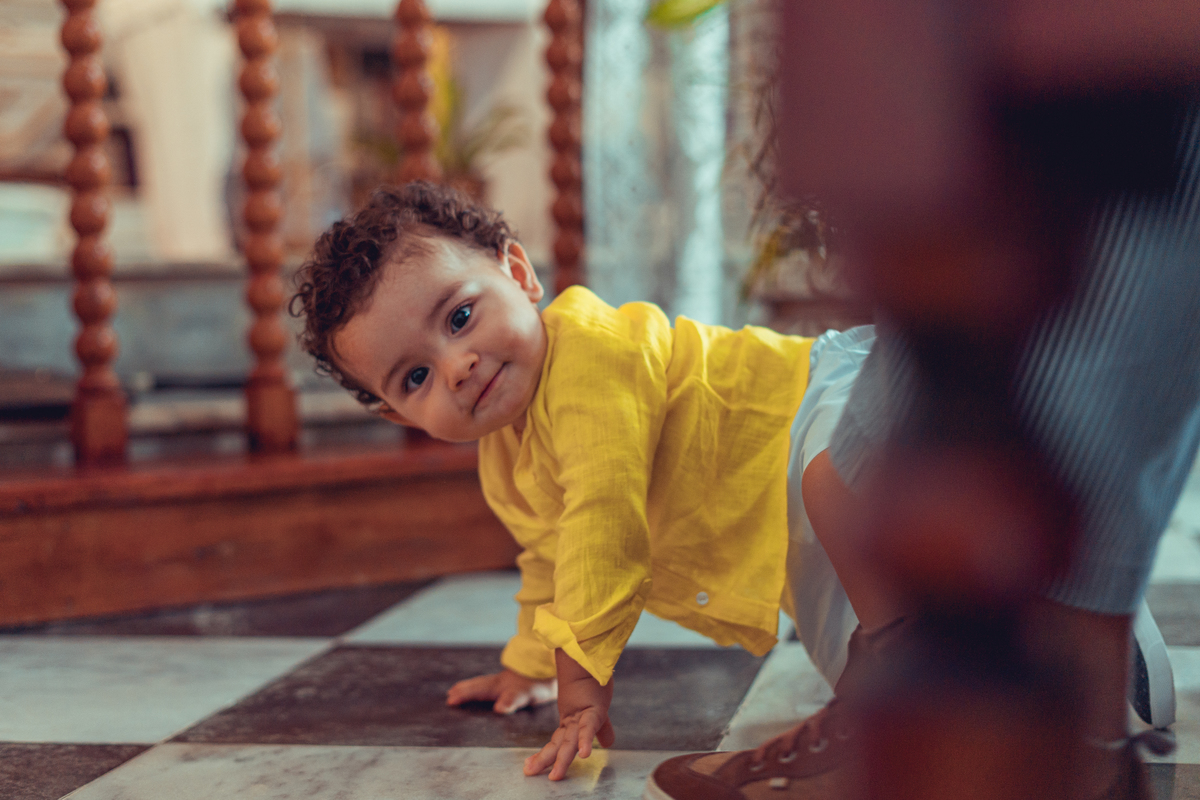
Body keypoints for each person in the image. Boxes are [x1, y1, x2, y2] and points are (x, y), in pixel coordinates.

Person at [289, 180, 875, 780]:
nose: (456, 367)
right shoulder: (506, 461)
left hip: (834, 402)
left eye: (460, 317)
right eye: (415, 378)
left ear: (518, 272)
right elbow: (553, 561)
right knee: (873, 665)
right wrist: (531, 665)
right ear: (396, 414)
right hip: (800, 532)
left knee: (833, 486)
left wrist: (581, 691)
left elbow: (604, 522)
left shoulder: (592, 357)